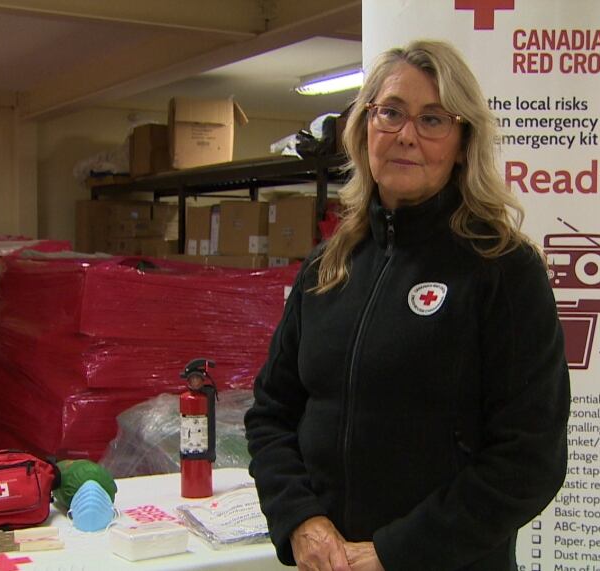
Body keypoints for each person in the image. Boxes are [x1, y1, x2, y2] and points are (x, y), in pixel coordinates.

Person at [244, 39, 570, 571]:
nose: (406, 135)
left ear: (463, 142)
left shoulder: (501, 270)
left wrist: (395, 553)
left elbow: (529, 460)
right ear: (364, 128)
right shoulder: (329, 267)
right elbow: (272, 413)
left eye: (433, 119)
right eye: (390, 112)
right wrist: (301, 519)